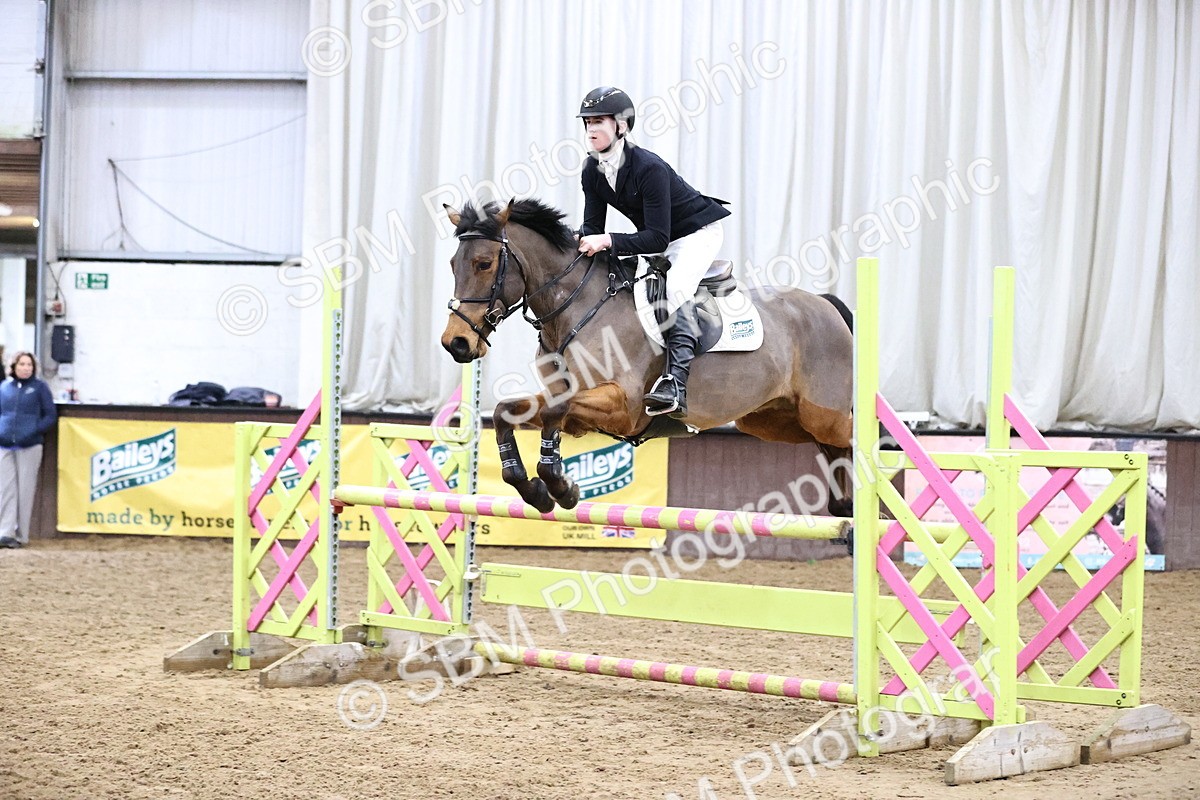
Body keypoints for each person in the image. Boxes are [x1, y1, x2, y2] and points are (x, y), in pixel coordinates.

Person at [575, 86, 731, 418]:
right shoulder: (592, 170)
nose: (591, 129)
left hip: (695, 233)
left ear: (621, 126)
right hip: (659, 235)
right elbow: (592, 227)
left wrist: (608, 241)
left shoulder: (649, 168)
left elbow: (657, 240)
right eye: (587, 122)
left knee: (673, 289)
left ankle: (675, 383)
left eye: (599, 121)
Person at [0, 352, 57, 548]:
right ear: (14, 366)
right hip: (4, 444)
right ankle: (5, 532)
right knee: (5, 489)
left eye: (29, 365)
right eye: (22, 364)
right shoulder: (4, 388)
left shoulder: (40, 388)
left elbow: (50, 415)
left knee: (25, 489)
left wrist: (34, 431)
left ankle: (21, 535)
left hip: (30, 446)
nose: (26, 368)